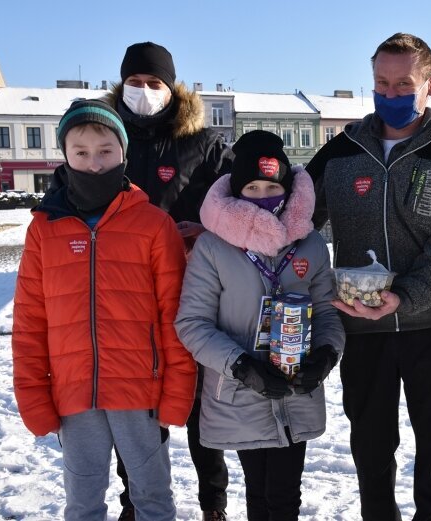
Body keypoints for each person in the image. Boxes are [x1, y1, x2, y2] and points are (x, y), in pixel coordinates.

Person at [305, 33, 431, 520]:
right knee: (371, 450)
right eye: (381, 83)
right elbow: (294, 214)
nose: (390, 94)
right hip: (362, 329)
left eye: (404, 83)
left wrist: (405, 296)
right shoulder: (341, 152)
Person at [11, 99, 197, 520]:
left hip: (140, 394)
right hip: (74, 394)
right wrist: (32, 394)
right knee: (82, 502)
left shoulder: (153, 224)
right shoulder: (45, 228)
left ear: (123, 153)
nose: (94, 163)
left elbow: (176, 317)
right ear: (64, 156)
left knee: (152, 499)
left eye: (105, 151)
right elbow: (28, 322)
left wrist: (176, 392)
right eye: (81, 152)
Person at [175, 130, 345, 521]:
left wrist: (326, 354)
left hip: (296, 389)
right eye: (252, 186)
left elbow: (327, 311)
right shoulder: (213, 247)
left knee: (286, 497)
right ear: (236, 192)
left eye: (272, 185)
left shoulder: (311, 245)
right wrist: (240, 365)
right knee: (260, 494)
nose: (263, 195)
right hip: (241, 391)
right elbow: (193, 323)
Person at [109, 41, 231, 521]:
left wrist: (207, 227)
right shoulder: (106, 139)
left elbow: (236, 201)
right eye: (135, 82)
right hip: (125, 299)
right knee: (135, 411)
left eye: (153, 83)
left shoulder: (202, 144)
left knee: (203, 411)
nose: (144, 91)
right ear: (122, 86)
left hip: (193, 295)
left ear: (171, 88)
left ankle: (213, 506)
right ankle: (137, 503)